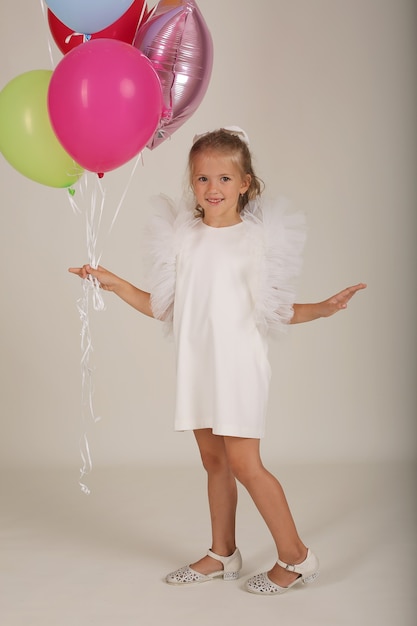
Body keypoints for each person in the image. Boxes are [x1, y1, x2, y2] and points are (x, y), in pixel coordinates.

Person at [69, 127, 366, 595]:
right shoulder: (183, 240)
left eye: (225, 179)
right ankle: (223, 552)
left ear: (245, 183)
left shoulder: (256, 241)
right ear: (193, 183)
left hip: (239, 367)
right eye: (203, 178)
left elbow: (277, 310)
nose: (213, 189)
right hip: (198, 364)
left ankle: (296, 556)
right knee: (214, 461)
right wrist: (114, 282)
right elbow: (165, 307)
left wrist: (324, 308)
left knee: (247, 464)